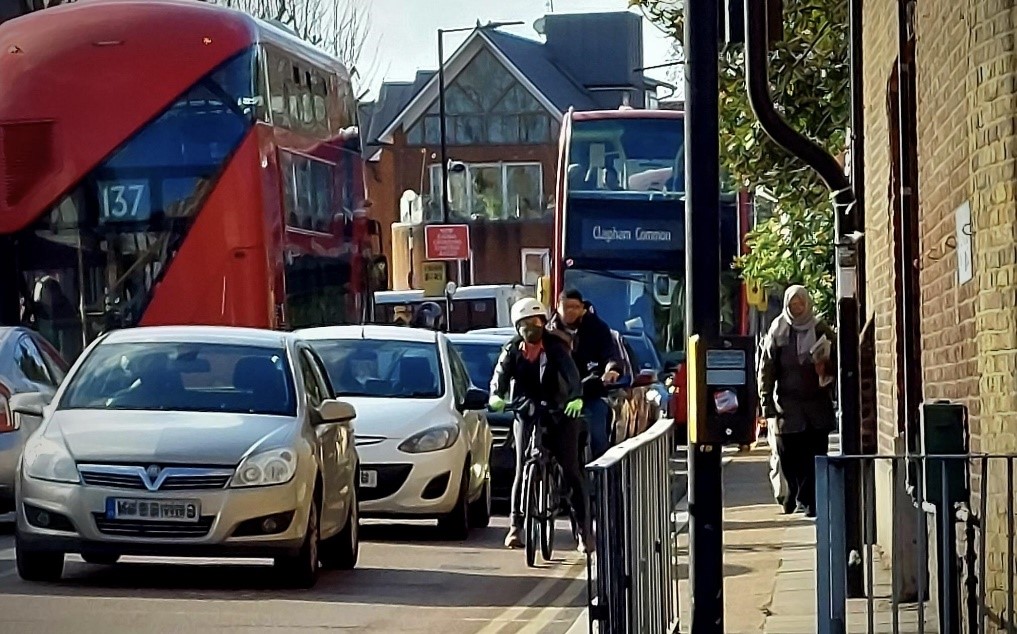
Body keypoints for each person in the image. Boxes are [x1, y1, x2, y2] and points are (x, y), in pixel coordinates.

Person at [489, 298, 592, 553]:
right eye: (525, 324)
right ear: (517, 326)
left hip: (560, 410)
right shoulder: (512, 350)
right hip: (526, 410)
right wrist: (497, 396)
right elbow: (500, 375)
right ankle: (515, 527)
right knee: (522, 466)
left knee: (570, 469)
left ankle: (584, 531)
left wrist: (576, 398)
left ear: (544, 323)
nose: (531, 328)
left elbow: (571, 374)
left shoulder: (556, 347)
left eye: (536, 322)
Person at [758, 285, 837, 518]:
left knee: (815, 454)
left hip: (816, 405)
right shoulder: (778, 330)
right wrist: (766, 402)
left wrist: (826, 366)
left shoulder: (821, 328)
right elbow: (767, 368)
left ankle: (810, 501)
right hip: (788, 406)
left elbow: (840, 360)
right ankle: (795, 494)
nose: (797, 308)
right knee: (789, 456)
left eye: (800, 304)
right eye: (793, 304)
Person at [548, 289, 624, 460]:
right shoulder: (549, 332)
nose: (571, 311)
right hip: (561, 396)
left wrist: (611, 370)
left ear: (582, 308)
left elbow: (611, 353)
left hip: (590, 391)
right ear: (557, 306)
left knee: (598, 435)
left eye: (575, 307)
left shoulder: (597, 328)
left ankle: (599, 476)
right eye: (566, 307)